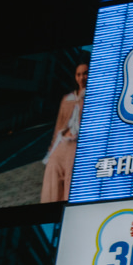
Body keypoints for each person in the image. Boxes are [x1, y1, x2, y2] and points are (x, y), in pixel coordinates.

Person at [40, 58, 88, 202]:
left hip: (78, 147)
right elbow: (59, 126)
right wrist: (51, 150)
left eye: (85, 73)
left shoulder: (96, 98)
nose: (82, 77)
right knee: (52, 185)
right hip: (61, 145)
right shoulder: (67, 98)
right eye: (78, 74)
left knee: (71, 185)